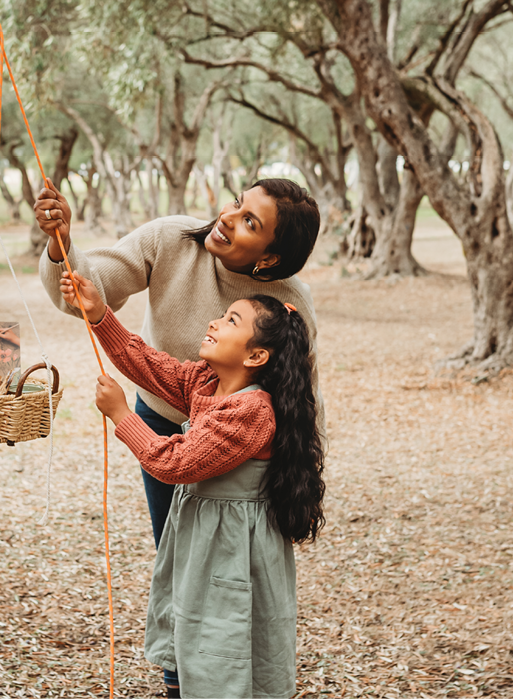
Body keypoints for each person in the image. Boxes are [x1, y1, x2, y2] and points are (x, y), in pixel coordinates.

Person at [59, 272, 325, 699]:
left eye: (231, 321)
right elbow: (147, 364)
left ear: (256, 355)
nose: (215, 322)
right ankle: (180, 687)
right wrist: (98, 315)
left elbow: (174, 462)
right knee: (193, 626)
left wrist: (122, 416)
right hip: (204, 540)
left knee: (226, 636)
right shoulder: (207, 383)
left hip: (234, 548)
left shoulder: (252, 411)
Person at [34, 178, 324, 551]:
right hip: (161, 414)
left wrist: (302, 481)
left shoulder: (288, 303)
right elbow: (95, 294)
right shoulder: (170, 238)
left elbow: (302, 392)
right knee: (174, 546)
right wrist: (63, 246)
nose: (228, 217)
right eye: (236, 202)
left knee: (231, 552)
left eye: (250, 222)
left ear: (269, 258)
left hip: (239, 442)